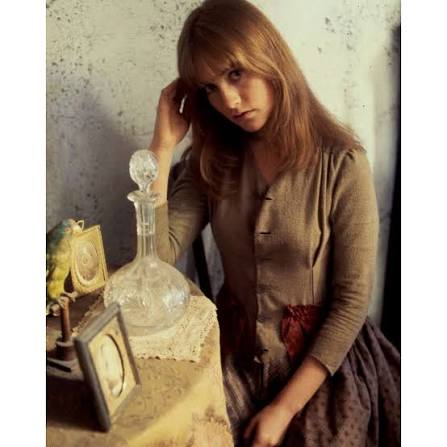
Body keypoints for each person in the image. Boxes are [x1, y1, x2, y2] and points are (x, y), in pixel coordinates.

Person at [148, 0, 400, 445]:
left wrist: (283, 409)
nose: (228, 101)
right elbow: (155, 257)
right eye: (209, 88)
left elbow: (351, 300)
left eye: (236, 73)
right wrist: (162, 146)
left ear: (270, 59)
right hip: (236, 353)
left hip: (323, 362)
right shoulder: (212, 159)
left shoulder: (342, 163)